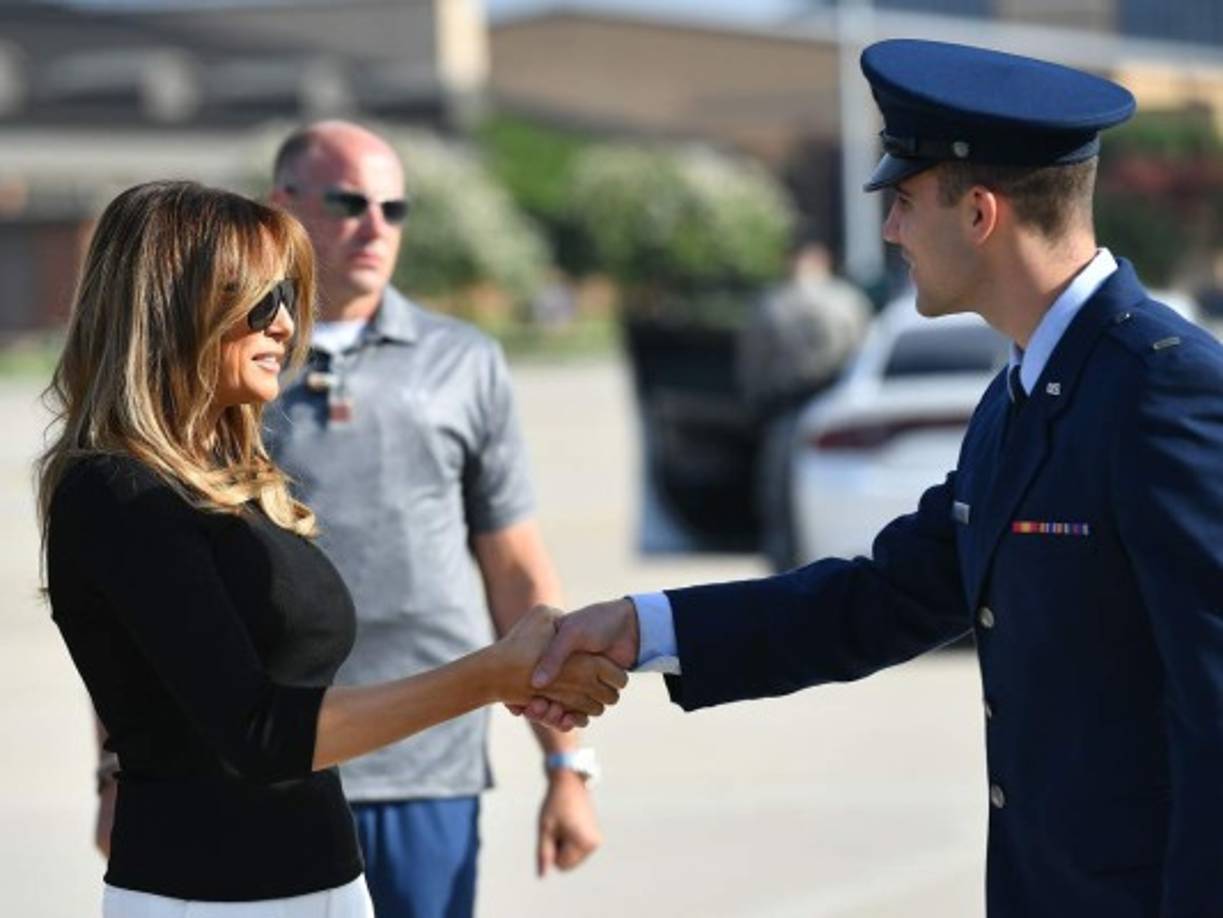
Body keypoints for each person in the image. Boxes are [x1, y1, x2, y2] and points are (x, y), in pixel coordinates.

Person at [525, 39, 1223, 916]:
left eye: (901, 200)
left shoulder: (1164, 389)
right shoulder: (1022, 390)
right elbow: (887, 597)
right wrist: (642, 628)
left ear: (978, 214)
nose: (889, 230)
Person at [40, 180, 623, 917]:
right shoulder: (118, 494)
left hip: (320, 883)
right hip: (210, 899)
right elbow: (255, 733)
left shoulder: (232, 483)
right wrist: (489, 677)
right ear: (173, 307)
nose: (284, 325)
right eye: (257, 300)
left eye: (286, 296)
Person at [261, 121, 603, 918]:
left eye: (394, 207)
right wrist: (116, 773)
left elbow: (515, 567)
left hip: (428, 765)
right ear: (284, 206)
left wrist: (567, 767)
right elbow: (158, 597)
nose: (376, 227)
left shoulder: (464, 361)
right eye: (349, 202)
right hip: (270, 761)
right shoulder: (230, 359)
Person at [737, 238, 871, 570]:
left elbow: (753, 366)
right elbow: (865, 358)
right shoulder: (850, 301)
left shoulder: (771, 304)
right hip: (842, 417)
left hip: (785, 414)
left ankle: (784, 578)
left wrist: (755, 411)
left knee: (781, 503)